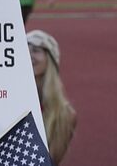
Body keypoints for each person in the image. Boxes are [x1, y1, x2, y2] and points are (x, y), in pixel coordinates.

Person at [27, 30, 76, 165]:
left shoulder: (64, 114)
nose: (29, 55)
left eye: (36, 50)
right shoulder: (6, 101)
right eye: (25, 49)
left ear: (51, 59)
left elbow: (51, 161)